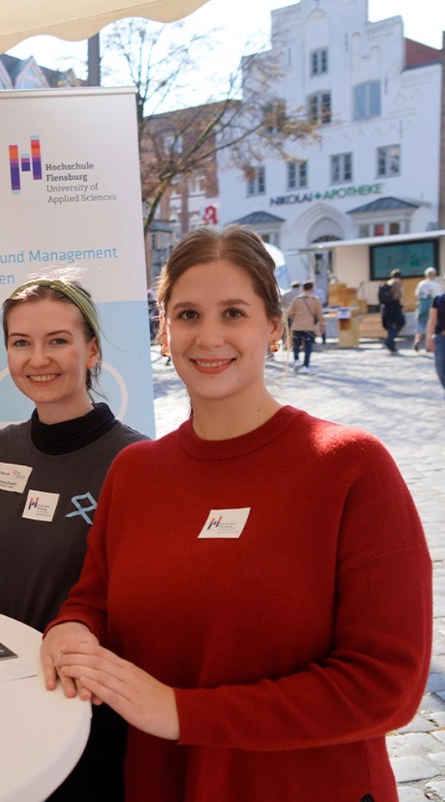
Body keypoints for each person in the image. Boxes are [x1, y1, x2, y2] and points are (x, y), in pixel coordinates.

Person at [40, 226, 431, 802]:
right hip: (161, 784)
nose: (209, 337)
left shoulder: (349, 466)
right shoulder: (136, 471)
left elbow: (386, 686)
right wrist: (70, 629)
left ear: (272, 327)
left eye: (233, 313)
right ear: (164, 331)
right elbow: (93, 600)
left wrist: (183, 712)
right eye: (188, 315)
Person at [0, 273, 148, 801]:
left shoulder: (136, 462)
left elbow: (141, 610)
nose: (38, 359)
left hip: (82, 708)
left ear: (92, 350)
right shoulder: (0, 447)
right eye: (21, 343)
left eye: (58, 340)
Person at [285, 280, 324, 373]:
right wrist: (322, 325)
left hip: (297, 326)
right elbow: (319, 315)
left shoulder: (296, 299)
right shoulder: (315, 300)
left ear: (303, 288)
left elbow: (289, 313)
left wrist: (295, 319)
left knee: (296, 345)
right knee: (308, 347)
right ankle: (305, 366)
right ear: (312, 288)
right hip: (309, 327)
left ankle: (296, 360)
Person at [414, 267, 443, 351]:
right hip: (432, 304)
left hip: (422, 304)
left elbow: (416, 294)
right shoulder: (436, 284)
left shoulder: (421, 283)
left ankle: (417, 340)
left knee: (420, 323)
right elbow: (439, 297)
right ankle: (428, 344)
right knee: (431, 323)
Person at [381, 268, 406, 354]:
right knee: (400, 323)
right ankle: (389, 340)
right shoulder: (397, 284)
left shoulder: (387, 283)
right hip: (395, 307)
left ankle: (391, 345)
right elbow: (397, 296)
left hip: (386, 307)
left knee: (390, 326)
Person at [426, 290, 445, 401]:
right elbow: (432, 320)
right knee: (440, 368)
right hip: (441, 337)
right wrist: (429, 338)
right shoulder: (438, 300)